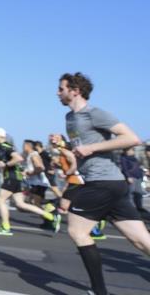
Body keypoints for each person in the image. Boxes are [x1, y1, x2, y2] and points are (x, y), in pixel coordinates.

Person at [57, 72, 150, 295]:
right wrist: (72, 163)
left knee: (77, 232)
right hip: (109, 182)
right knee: (140, 241)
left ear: (75, 91)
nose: (57, 92)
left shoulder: (94, 113)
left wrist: (91, 148)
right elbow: (81, 149)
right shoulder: (70, 119)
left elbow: (131, 138)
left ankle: (99, 292)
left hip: (103, 182)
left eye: (61, 88)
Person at [0, 128, 60, 236]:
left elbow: (18, 158)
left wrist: (6, 164)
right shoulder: (3, 147)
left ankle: (5, 227)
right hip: (16, 178)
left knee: (0, 200)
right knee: (20, 204)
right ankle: (50, 217)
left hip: (11, 178)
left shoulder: (5, 146)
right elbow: (8, 162)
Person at [120, 147, 149, 219]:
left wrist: (142, 173)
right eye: (129, 150)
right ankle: (132, 209)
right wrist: (128, 177)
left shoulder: (134, 158)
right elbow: (125, 168)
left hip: (138, 176)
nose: (131, 152)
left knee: (138, 192)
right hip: (131, 177)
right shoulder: (123, 158)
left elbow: (138, 167)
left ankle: (139, 207)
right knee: (131, 193)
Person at [23, 140, 51, 207]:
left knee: (36, 203)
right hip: (34, 183)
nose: (23, 147)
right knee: (30, 202)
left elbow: (41, 168)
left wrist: (30, 173)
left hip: (39, 183)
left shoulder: (34, 155)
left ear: (28, 146)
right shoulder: (30, 155)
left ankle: (52, 209)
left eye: (24, 145)